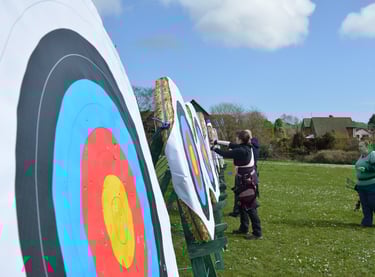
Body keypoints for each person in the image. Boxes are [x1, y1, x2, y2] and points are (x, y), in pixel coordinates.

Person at [212, 131, 262, 240]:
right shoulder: (246, 146)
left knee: (250, 207)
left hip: (247, 182)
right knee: (241, 205)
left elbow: (225, 154)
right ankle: (244, 228)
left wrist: (213, 148)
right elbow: (230, 144)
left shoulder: (242, 150)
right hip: (244, 181)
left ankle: (257, 233)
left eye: (237, 138)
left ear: (240, 139)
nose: (236, 140)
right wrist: (217, 141)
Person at [229, 130, 260, 218]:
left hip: (247, 176)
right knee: (244, 201)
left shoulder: (249, 148)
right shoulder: (251, 146)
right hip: (249, 175)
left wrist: (235, 152)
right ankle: (244, 225)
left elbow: (242, 155)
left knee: (249, 203)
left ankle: (256, 230)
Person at [355, 141, 375, 227]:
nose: (359, 148)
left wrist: (366, 169)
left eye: (361, 146)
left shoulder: (372, 154)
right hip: (361, 185)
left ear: (367, 146)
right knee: (365, 204)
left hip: (372, 184)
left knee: (372, 203)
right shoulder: (361, 156)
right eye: (359, 146)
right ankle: (367, 222)